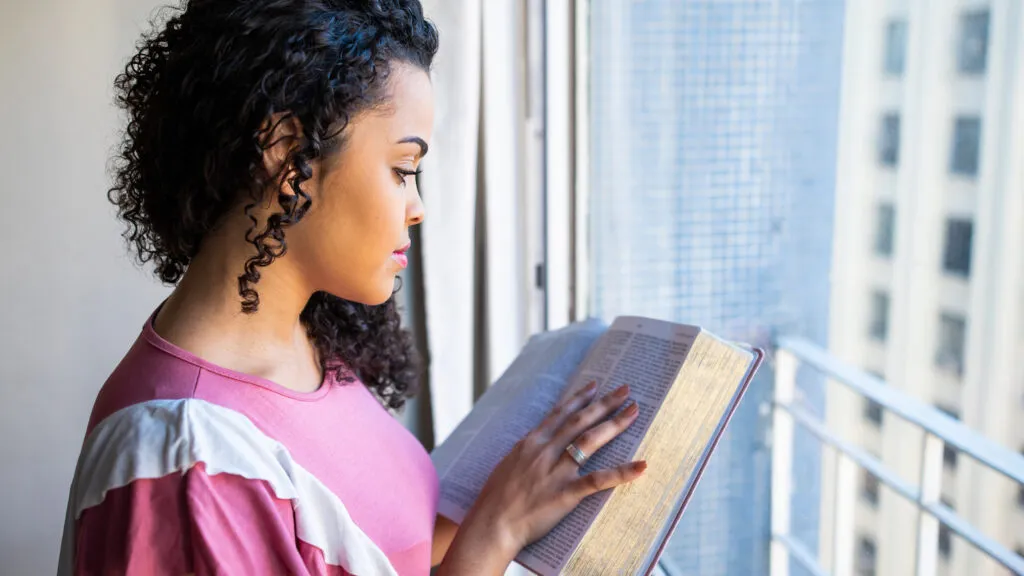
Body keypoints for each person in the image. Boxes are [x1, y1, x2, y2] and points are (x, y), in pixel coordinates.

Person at [58, 1, 646, 574]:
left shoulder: (307, 342)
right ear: (287, 152)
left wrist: (514, 504)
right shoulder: (184, 457)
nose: (416, 208)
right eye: (402, 170)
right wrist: (496, 532)